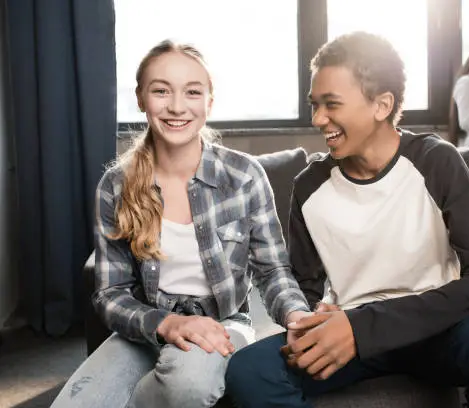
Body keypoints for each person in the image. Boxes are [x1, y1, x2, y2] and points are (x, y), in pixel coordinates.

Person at [225, 31, 469, 408]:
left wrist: (363, 326)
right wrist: (307, 322)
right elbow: (304, 289)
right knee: (249, 371)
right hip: (351, 342)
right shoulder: (308, 187)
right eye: (314, 105)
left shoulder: (436, 162)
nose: (318, 119)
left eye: (331, 104)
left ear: (382, 104)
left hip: (438, 332)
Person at [50, 40, 311, 408]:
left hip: (224, 323)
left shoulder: (245, 176)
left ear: (209, 101)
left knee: (188, 385)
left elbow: (272, 271)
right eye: (161, 91)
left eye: (192, 92)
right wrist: (166, 324)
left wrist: (297, 317)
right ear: (141, 99)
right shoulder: (116, 185)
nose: (176, 106)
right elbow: (110, 294)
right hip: (145, 326)